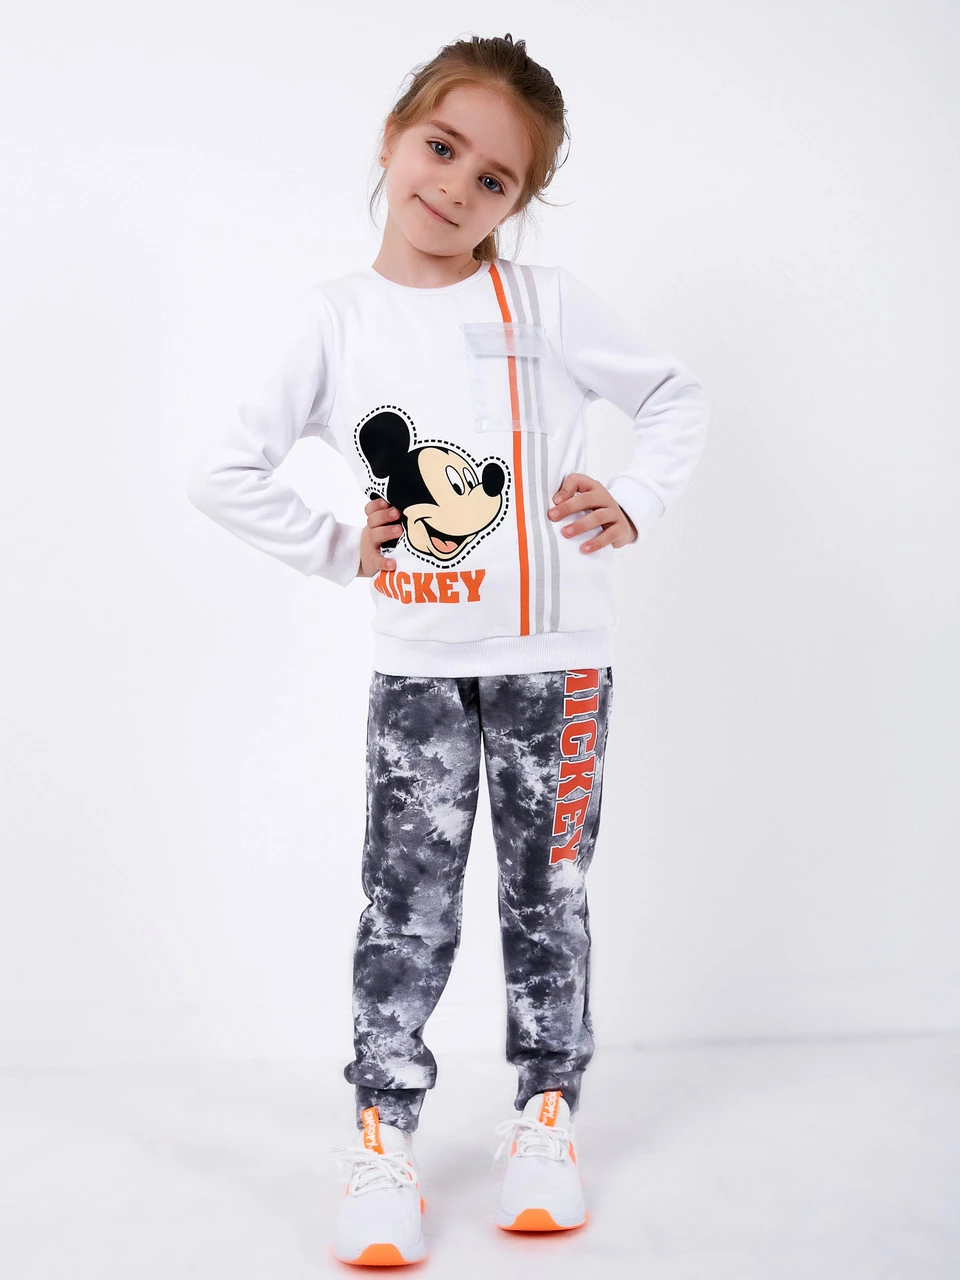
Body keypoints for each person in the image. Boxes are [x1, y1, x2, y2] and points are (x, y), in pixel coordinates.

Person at [186, 31, 710, 1268]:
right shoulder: (334, 318)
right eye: (441, 146)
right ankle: (383, 1134)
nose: (456, 187)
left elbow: (673, 396)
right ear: (393, 136)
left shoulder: (547, 302)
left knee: (550, 893)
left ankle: (546, 1116)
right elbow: (222, 469)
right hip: (420, 665)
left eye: (494, 179)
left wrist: (636, 497)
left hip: (560, 663)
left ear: (518, 201)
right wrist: (341, 547)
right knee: (404, 905)